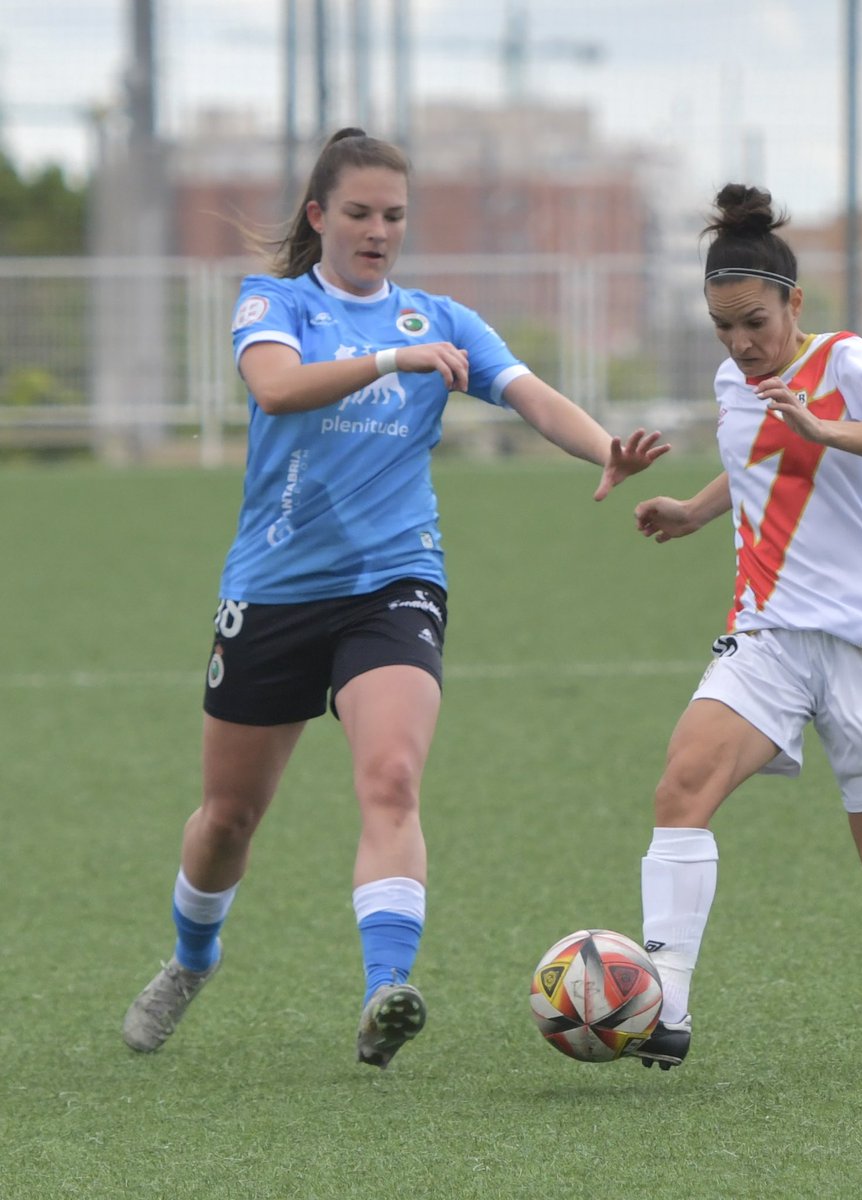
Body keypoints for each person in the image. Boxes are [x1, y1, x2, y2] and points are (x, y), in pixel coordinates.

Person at [122, 127, 668, 1069]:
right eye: (362, 213)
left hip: (394, 584)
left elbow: (530, 392)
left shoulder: (441, 318)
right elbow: (277, 388)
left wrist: (603, 445)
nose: (380, 231)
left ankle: (387, 991)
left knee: (391, 778)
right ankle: (191, 960)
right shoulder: (276, 303)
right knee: (228, 818)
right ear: (320, 216)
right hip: (275, 591)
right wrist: (389, 363)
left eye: (395, 216)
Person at [624, 183, 862, 1070]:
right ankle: (665, 1003)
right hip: (767, 631)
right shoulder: (733, 383)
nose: (739, 344)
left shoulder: (847, 359)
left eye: (754, 323)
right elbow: (757, 461)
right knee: (679, 789)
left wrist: (826, 424)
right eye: (722, 327)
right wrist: (697, 512)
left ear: (792, 305)